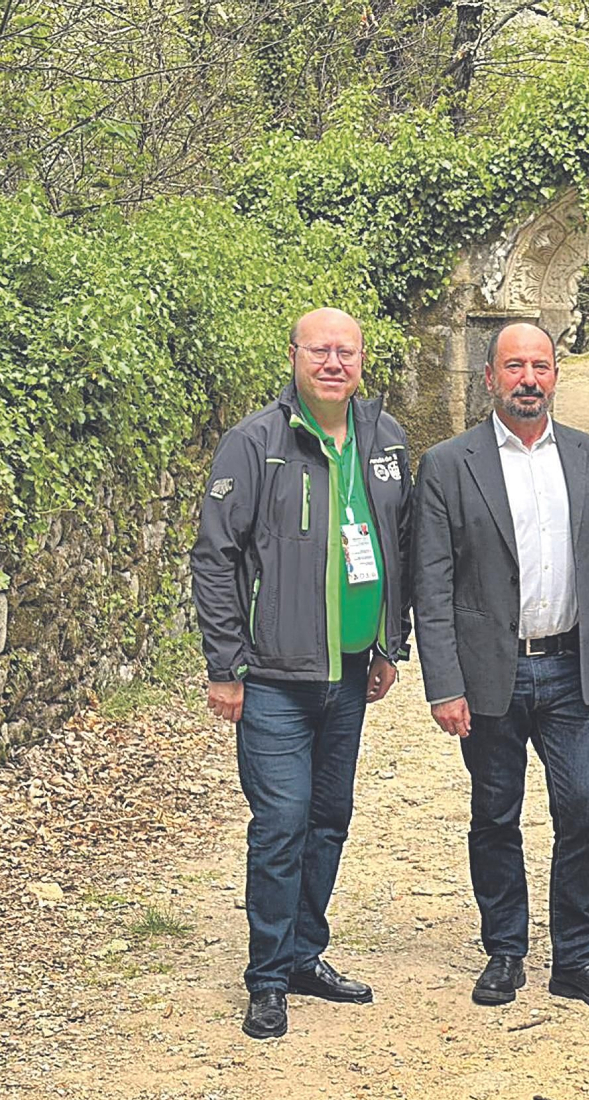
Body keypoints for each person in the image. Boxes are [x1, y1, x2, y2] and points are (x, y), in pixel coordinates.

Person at [191, 307, 413, 1039]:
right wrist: (225, 667)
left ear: (361, 360)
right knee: (281, 823)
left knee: (328, 819)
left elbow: (395, 549)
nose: (332, 362)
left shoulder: (385, 441)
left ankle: (303, 957)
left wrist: (388, 643)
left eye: (345, 351)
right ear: (292, 356)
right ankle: (265, 977)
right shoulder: (256, 442)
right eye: (319, 350)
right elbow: (216, 557)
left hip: (348, 674)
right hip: (276, 678)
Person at [414, 322, 589, 1010]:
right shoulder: (451, 464)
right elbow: (432, 579)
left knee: (586, 811)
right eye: (515, 366)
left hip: (572, 666)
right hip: (492, 672)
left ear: (555, 375)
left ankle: (576, 956)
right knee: (495, 813)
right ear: (489, 378)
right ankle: (505, 950)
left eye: (540, 366)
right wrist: (444, 682)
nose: (529, 379)